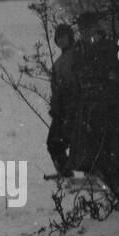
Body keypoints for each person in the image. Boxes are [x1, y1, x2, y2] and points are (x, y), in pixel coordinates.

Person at [70, 11, 119, 202]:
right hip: (89, 113)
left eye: (87, 28)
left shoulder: (115, 48)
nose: (84, 33)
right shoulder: (79, 52)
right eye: (81, 29)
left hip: (112, 111)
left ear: (96, 28)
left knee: (116, 153)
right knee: (93, 155)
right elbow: (75, 82)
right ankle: (104, 196)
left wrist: (109, 92)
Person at [46, 23, 79, 179]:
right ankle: (65, 172)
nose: (61, 40)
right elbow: (56, 89)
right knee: (53, 143)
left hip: (73, 110)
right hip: (61, 111)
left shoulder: (77, 55)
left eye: (63, 36)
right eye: (58, 37)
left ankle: (68, 173)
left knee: (61, 143)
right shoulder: (58, 63)